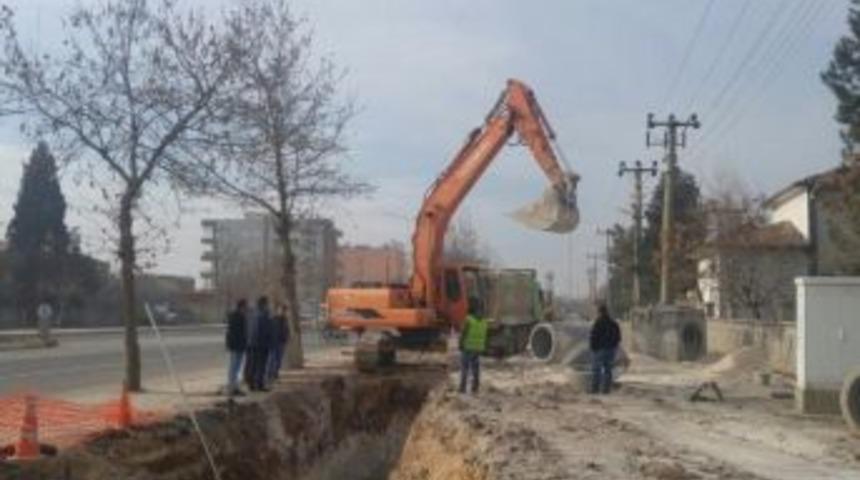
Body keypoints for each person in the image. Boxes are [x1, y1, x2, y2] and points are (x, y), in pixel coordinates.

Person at [589, 303, 621, 394]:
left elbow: (593, 336)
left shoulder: (598, 323)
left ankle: (595, 389)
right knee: (608, 369)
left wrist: (593, 348)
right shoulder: (614, 323)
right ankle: (606, 390)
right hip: (611, 350)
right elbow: (618, 337)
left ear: (599, 312)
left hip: (600, 350)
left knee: (596, 369)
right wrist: (614, 346)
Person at [459, 298, 488, 394]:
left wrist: (460, 344)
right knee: (476, 369)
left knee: (465, 368)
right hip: (478, 348)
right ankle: (475, 388)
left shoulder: (469, 320)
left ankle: (462, 388)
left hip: (468, 347)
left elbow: (463, 334)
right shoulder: (484, 321)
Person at [247, 296, 274, 392]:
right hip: (262, 344)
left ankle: (252, 383)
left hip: (253, 343)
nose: (269, 306)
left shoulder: (253, 314)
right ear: (264, 304)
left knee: (254, 365)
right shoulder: (264, 315)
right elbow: (265, 331)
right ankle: (259, 384)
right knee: (261, 365)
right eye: (267, 304)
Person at [225, 299, 248, 396]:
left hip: (236, 345)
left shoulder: (235, 316)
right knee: (235, 367)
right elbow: (238, 333)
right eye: (245, 307)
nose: (246, 309)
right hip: (237, 346)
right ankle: (233, 387)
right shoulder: (238, 317)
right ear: (241, 307)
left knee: (236, 367)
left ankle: (234, 386)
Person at [267, 303, 290, 383]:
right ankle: (270, 375)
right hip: (274, 342)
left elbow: (286, 330)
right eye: (282, 310)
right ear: (278, 310)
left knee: (279, 360)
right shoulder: (274, 319)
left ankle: (275, 374)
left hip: (281, 342)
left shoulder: (285, 319)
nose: (283, 312)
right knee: (272, 360)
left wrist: (287, 337)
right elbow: (271, 330)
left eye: (285, 311)